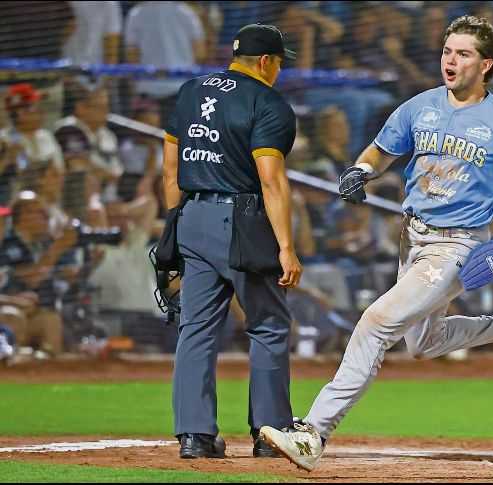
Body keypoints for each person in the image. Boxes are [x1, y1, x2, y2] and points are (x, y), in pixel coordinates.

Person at [259, 15, 493, 472]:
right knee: (423, 343)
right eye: (446, 51)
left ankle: (313, 432)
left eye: (463, 53)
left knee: (376, 322)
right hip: (411, 237)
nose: (450, 60)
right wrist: (362, 170)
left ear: (486, 64)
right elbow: (380, 151)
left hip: (458, 245)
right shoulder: (421, 106)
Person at [161, 24, 301, 460]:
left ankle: (195, 436)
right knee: (268, 325)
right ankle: (270, 432)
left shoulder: (189, 90)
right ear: (266, 61)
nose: (278, 69)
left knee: (197, 329)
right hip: (241, 220)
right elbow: (271, 179)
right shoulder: (267, 101)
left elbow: (169, 171)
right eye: (279, 61)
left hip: (192, 218)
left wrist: (174, 230)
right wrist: (286, 247)